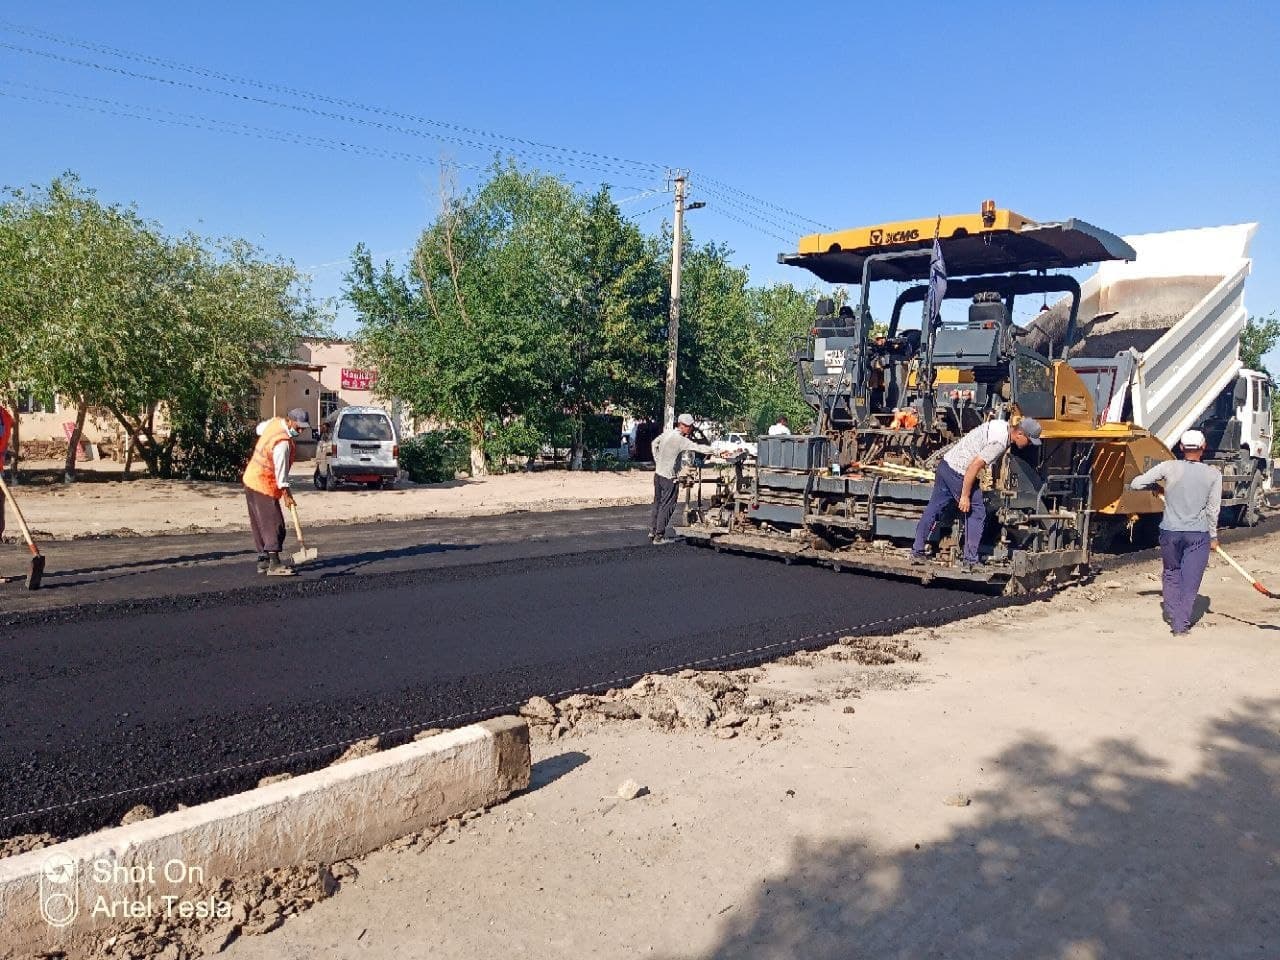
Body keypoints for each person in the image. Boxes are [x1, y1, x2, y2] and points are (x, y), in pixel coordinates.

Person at [911, 417, 1042, 569]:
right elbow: (974, 466)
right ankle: (970, 561)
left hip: (945, 465)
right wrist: (965, 496)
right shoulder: (999, 443)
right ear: (1020, 433)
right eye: (1030, 440)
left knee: (933, 508)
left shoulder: (1001, 425)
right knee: (977, 511)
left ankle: (917, 551)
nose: (1030, 444)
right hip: (959, 472)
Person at [1129, 429, 1223, 635]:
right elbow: (1213, 509)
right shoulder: (1213, 474)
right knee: (1191, 579)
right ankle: (1180, 625)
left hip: (1170, 532)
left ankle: (1172, 613)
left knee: (1171, 572)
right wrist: (1213, 537)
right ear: (1203, 448)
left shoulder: (1169, 467)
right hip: (1197, 535)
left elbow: (1136, 483)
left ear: (1181, 448)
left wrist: (1157, 486)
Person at [243, 407, 309, 576]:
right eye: (298, 426)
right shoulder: (283, 443)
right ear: (290, 420)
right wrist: (286, 495)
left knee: (259, 522)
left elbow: (259, 429)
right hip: (262, 483)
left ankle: (263, 561)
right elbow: (281, 475)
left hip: (250, 479)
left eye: (303, 428)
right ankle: (274, 563)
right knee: (275, 524)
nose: (300, 431)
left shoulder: (274, 423)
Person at [649, 413, 715, 545]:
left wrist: (657, 460)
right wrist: (717, 451)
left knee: (657, 503)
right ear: (682, 426)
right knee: (668, 506)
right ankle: (659, 537)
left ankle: (652, 531)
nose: (690, 429)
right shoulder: (680, 440)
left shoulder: (667, 434)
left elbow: (654, 443)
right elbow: (698, 448)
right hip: (669, 478)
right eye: (689, 427)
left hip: (658, 474)